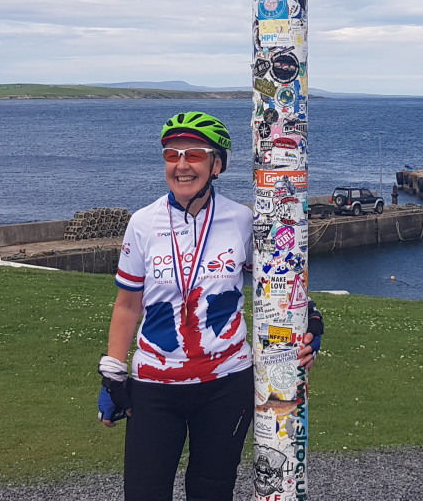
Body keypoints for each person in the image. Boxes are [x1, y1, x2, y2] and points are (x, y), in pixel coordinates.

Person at [97, 111, 322, 501]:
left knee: (211, 490)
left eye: (195, 154)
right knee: (144, 492)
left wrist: (311, 322)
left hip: (226, 384)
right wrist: (113, 373)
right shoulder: (142, 223)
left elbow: (277, 283)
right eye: (172, 155)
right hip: (155, 386)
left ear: (216, 164)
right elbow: (127, 305)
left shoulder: (241, 220)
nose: (182, 165)